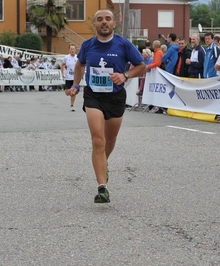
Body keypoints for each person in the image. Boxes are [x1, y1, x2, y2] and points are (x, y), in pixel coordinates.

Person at [68, 9, 146, 203]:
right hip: (93, 96)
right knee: (97, 140)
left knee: (110, 139)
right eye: (100, 19)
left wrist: (125, 75)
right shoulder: (87, 45)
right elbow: (79, 65)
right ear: (94, 24)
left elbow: (141, 66)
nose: (104, 22)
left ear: (113, 24)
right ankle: (102, 187)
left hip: (116, 97)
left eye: (108, 19)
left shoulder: (123, 44)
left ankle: (104, 163)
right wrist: (76, 85)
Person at [62, 44, 79, 111]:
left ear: (75, 50)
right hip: (68, 77)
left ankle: (72, 105)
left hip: (75, 78)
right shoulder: (66, 58)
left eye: (73, 49)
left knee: (73, 92)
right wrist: (62, 73)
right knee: (67, 93)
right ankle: (66, 88)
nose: (72, 50)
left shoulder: (78, 58)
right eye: (71, 49)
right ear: (69, 50)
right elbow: (62, 65)